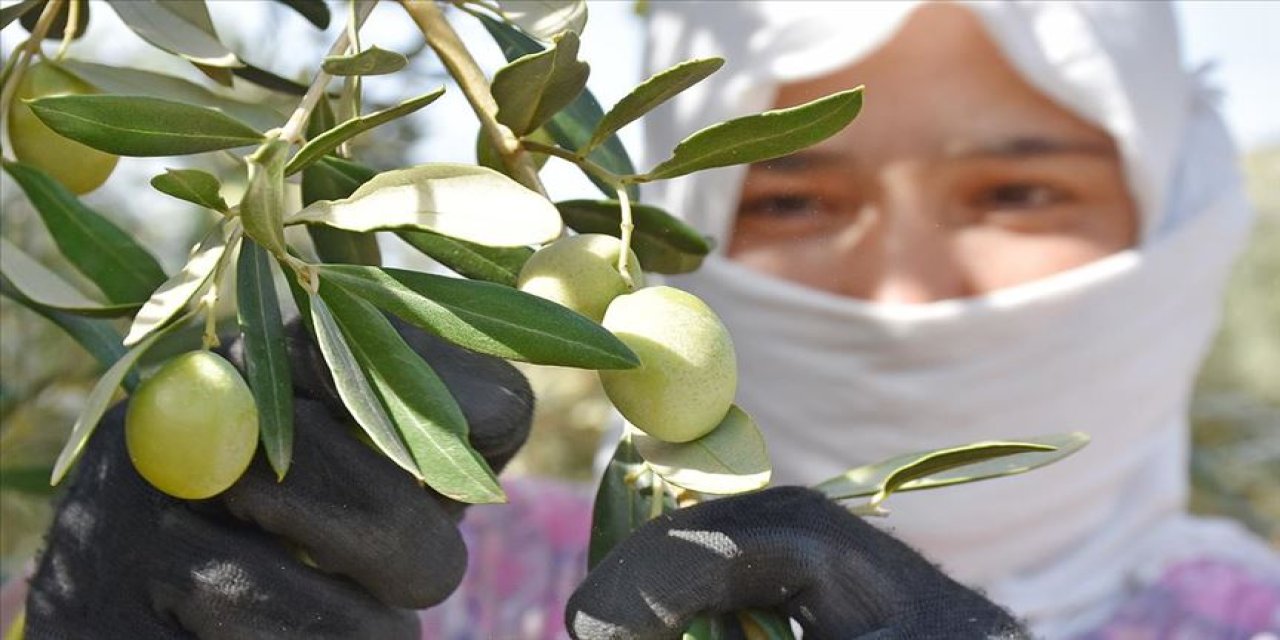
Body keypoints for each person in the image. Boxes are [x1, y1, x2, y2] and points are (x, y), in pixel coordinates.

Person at [9, 1, 1278, 639]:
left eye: (1015, 188)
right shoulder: (444, 564)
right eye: (791, 193)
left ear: (1176, 208)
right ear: (679, 221)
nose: (901, 286)